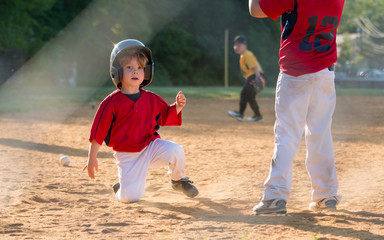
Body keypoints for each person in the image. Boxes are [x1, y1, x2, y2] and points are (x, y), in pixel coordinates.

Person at [249, 0, 345, 214]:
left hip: (295, 74)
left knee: (286, 135)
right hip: (325, 74)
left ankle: (275, 196)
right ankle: (326, 194)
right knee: (320, 134)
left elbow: (255, 10)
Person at [83, 39, 199, 203]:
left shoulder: (151, 99)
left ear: (147, 72)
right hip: (127, 155)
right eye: (129, 67)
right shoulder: (111, 102)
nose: (135, 71)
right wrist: (91, 157)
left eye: (139, 68)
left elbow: (166, 115)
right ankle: (121, 189)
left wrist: (177, 107)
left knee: (176, 150)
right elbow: (98, 131)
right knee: (130, 197)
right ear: (117, 71)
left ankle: (177, 180)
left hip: (150, 147)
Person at [228, 35, 264, 122]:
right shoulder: (243, 55)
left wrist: (258, 78)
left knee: (244, 93)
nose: (236, 47)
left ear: (245, 46)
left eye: (239, 45)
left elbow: (255, 67)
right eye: (235, 45)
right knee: (250, 97)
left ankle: (240, 114)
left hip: (254, 76)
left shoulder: (247, 54)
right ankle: (258, 116)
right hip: (253, 76)